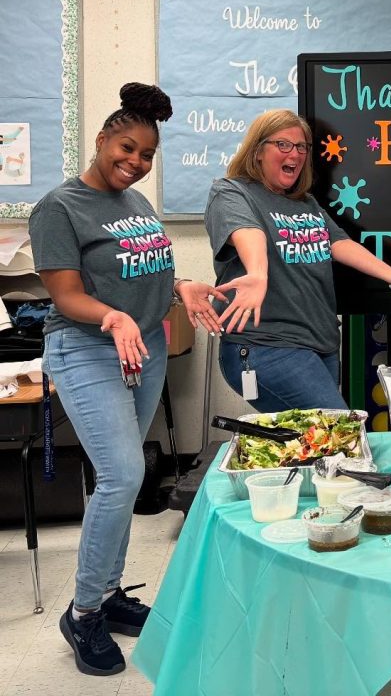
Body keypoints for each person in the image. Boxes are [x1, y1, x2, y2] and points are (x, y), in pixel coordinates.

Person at [29, 83, 227, 676]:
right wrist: (112, 317)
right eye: (125, 147)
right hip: (86, 348)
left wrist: (182, 287)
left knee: (125, 471)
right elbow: (67, 296)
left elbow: (147, 276)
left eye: (146, 155)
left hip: (144, 351)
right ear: (102, 139)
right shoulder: (58, 208)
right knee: (123, 474)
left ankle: (109, 594)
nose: (134, 162)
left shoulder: (137, 206)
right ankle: (84, 612)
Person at [205, 109, 391, 413]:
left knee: (316, 447)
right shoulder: (232, 192)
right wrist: (258, 273)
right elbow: (249, 233)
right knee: (341, 433)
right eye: (283, 145)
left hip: (321, 345)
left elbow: (339, 243)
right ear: (258, 151)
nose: (294, 154)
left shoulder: (306, 203)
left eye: (301, 147)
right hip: (266, 346)